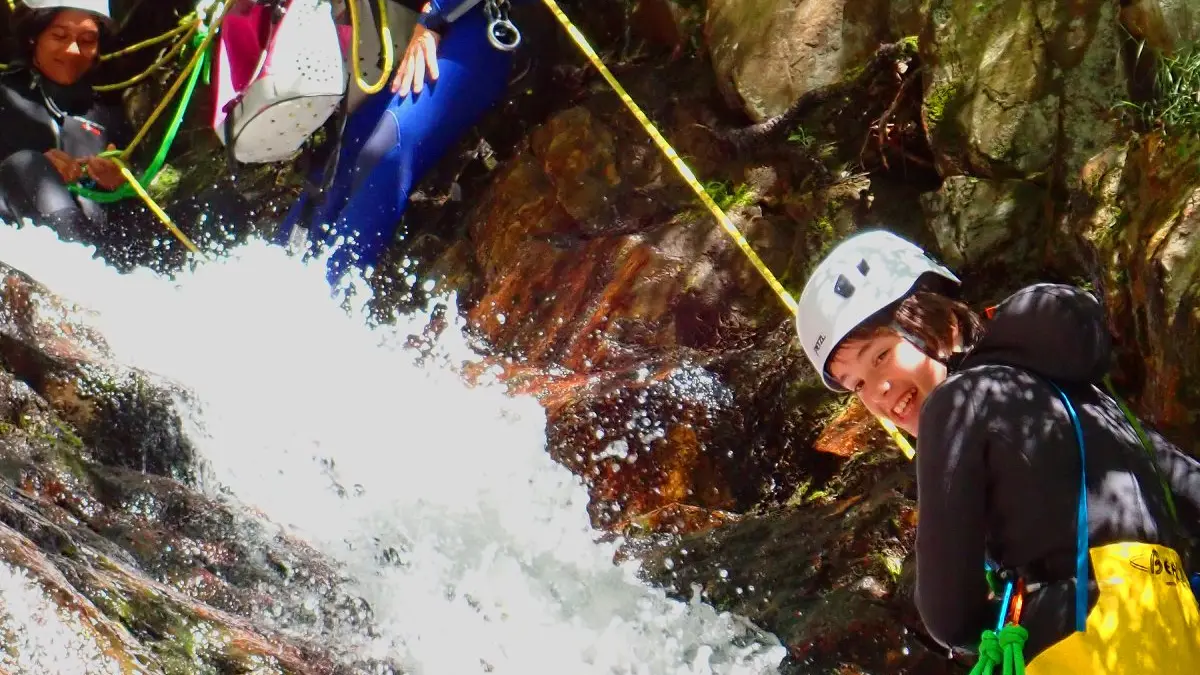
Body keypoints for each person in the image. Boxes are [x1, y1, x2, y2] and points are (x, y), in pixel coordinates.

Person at [794, 229, 1200, 673]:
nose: (879, 390)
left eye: (880, 356)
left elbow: (948, 614)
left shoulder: (956, 403)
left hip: (1079, 647)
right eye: (858, 385)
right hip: (1176, 634)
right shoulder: (1084, 395)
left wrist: (1004, 618)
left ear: (938, 320)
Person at [278, 0, 525, 285]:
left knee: (386, 151)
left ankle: (336, 295)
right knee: (341, 156)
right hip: (420, 20)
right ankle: (279, 279)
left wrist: (434, 16)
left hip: (484, 20)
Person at [0, 0, 130, 241]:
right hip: (13, 239)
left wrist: (119, 181)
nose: (73, 50)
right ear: (33, 38)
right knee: (26, 164)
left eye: (87, 41)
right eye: (59, 36)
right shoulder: (4, 95)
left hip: (102, 250)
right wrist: (41, 172)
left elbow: (133, 213)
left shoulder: (106, 114)